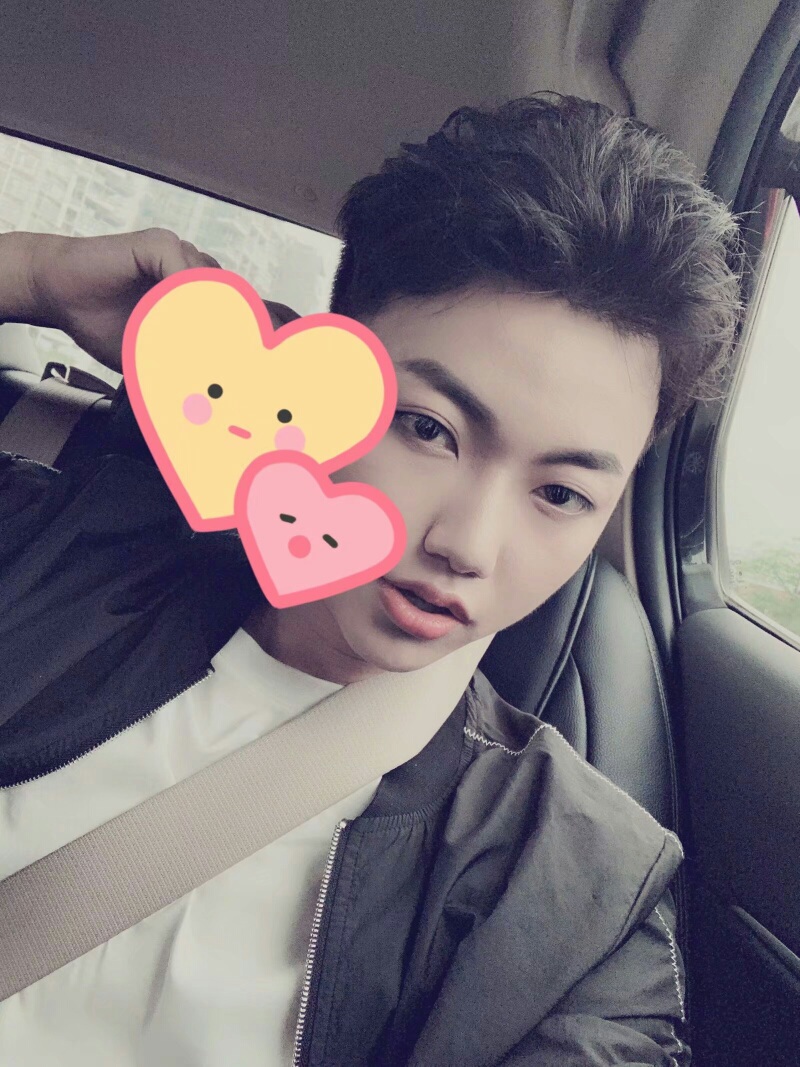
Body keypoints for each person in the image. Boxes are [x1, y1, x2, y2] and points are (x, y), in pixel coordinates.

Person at [0, 94, 741, 1065]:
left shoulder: (575, 900)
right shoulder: (49, 542)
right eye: (427, 428)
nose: (467, 542)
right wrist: (30, 273)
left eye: (560, 493)